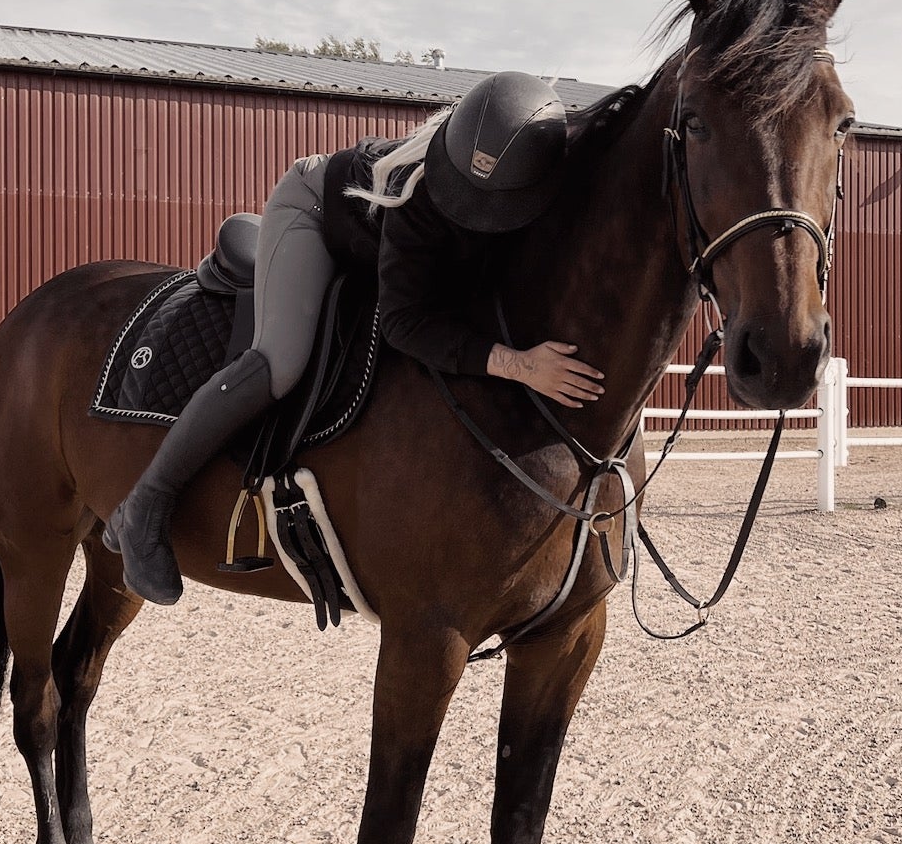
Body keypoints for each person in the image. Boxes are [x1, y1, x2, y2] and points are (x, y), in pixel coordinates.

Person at [104, 71, 605, 604]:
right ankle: (144, 507)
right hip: (315, 213)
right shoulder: (419, 194)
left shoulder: (550, 159)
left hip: (391, 237)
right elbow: (404, 322)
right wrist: (520, 365)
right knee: (282, 363)